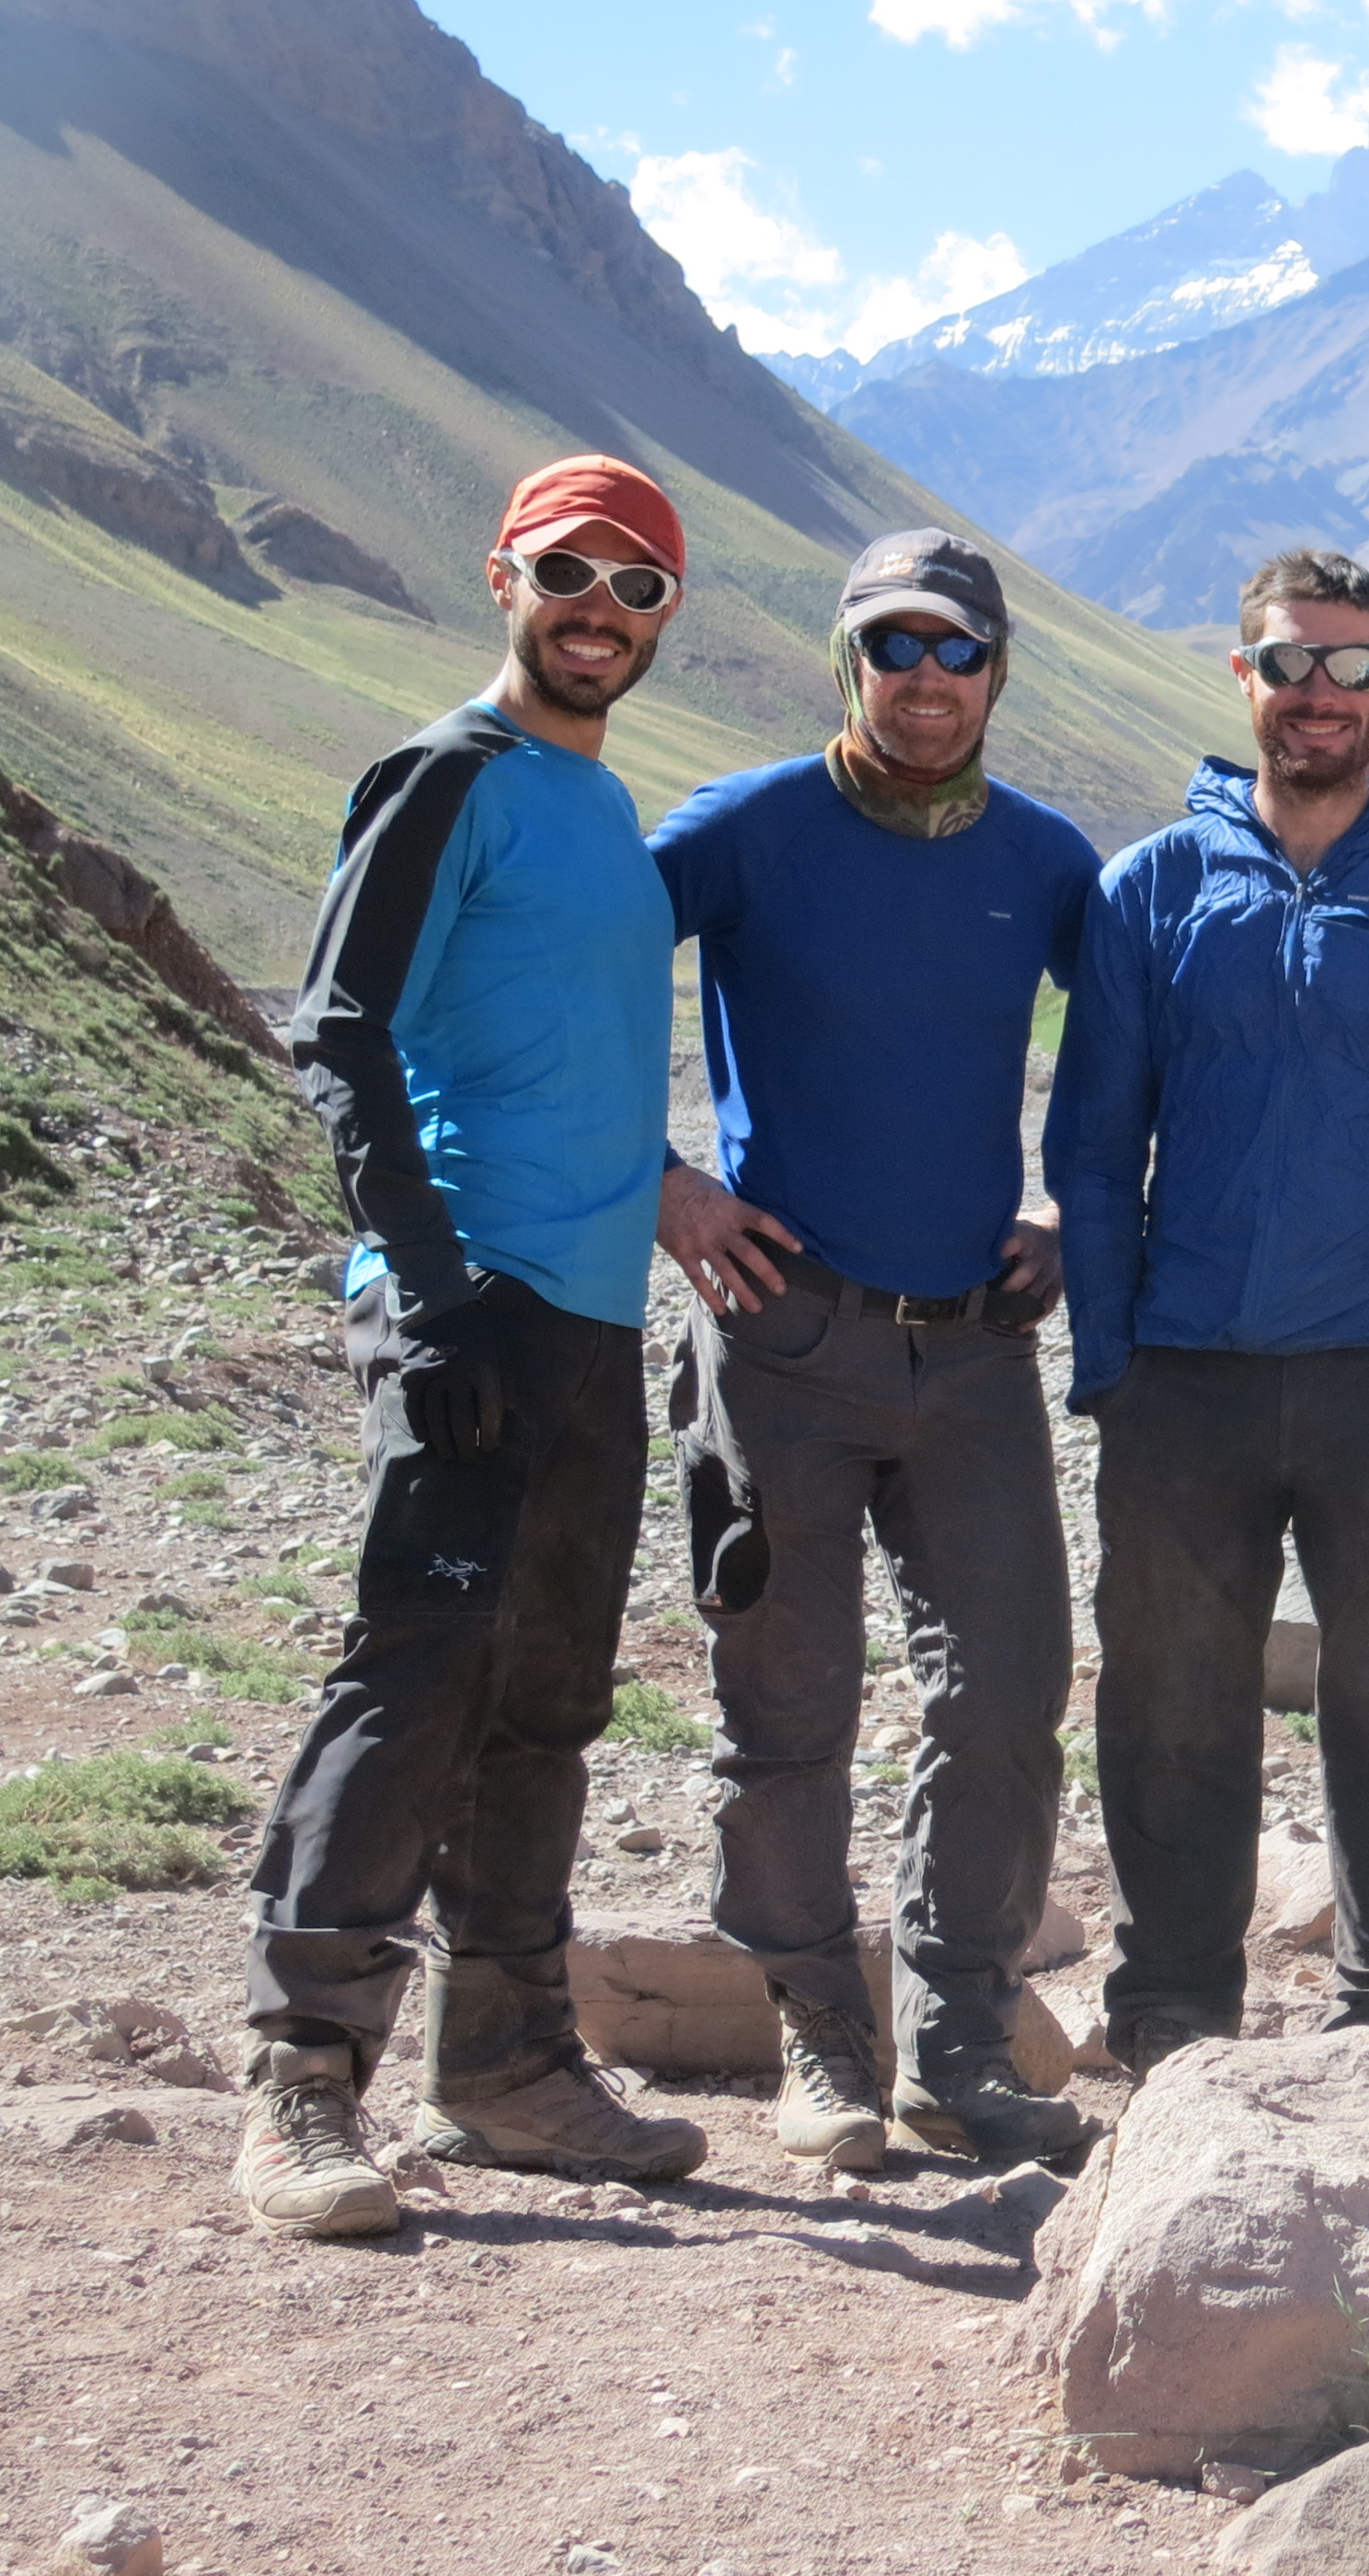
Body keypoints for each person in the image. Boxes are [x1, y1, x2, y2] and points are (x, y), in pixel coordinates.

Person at [242, 455, 705, 2237]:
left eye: (636, 587)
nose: (599, 610)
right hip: (469, 1294)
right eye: (569, 573)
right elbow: (340, 1026)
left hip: (588, 1314)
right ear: (503, 575)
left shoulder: (600, 803)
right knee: (420, 1668)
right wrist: (427, 1291)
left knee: (549, 1695)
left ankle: (508, 2068)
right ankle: (301, 2075)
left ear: (664, 619)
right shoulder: (450, 774)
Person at [644, 530, 1103, 2171]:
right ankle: (819, 2037)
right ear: (848, 661)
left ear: (995, 672)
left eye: (955, 648)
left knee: (1006, 1699)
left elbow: (1152, 1040)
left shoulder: (1045, 859)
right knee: (790, 1704)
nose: (925, 676)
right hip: (785, 1334)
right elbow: (562, 976)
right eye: (894, 645)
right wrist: (661, 1179)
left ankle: (956, 2045)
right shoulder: (748, 828)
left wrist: (1077, 1206)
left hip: (974, 1350)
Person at [1051, 546, 1369, 2069]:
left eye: (1348, 666)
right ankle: (1173, 2013)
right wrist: (1111, 1355)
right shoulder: (1151, 889)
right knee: (1168, 1704)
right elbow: (1094, 1141)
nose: (1317, 693)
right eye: (1288, 663)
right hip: (1182, 1374)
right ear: (1243, 678)